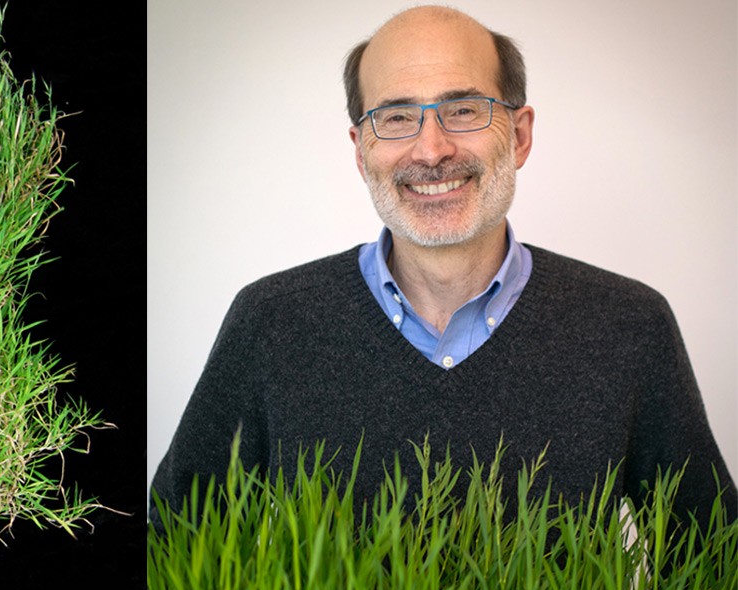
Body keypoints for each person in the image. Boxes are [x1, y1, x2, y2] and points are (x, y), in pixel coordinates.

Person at [149, 5, 736, 529]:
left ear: (521, 135)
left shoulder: (629, 326)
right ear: (360, 150)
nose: (431, 150)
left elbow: (714, 563)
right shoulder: (271, 321)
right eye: (397, 118)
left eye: (463, 109)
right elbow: (172, 546)